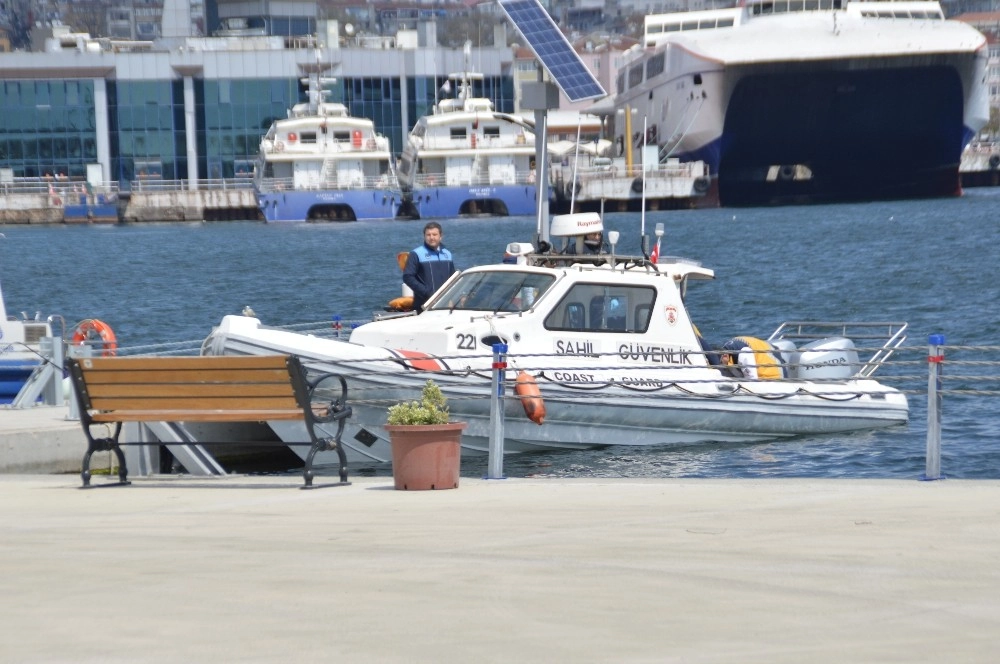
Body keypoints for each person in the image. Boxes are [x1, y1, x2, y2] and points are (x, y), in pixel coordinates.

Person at [403, 221, 456, 312]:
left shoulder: (447, 254)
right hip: (424, 305)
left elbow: (453, 278)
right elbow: (408, 277)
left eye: (434, 234)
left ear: (441, 236)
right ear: (424, 236)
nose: (431, 237)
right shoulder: (416, 254)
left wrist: (455, 297)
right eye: (428, 235)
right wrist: (427, 293)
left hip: (445, 304)